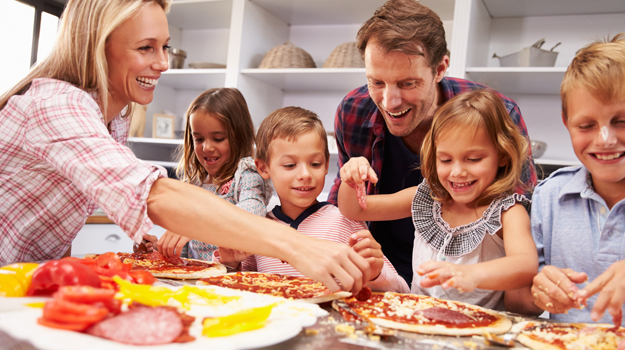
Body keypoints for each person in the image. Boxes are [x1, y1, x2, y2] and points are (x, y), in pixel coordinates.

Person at [0, 0, 372, 294]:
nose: (162, 63)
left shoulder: (116, 114)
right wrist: (296, 245)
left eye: (165, 47)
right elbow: (155, 196)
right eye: (146, 48)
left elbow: (55, 228)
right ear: (98, 46)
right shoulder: (56, 103)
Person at [329, 0, 537, 286]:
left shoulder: (497, 116)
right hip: (386, 277)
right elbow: (352, 210)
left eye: (407, 83)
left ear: (440, 68)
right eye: (376, 82)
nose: (389, 102)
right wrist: (351, 178)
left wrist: (476, 279)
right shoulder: (353, 112)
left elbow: (526, 252)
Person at [339, 89, 538, 310]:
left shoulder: (507, 212)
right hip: (418, 324)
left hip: (477, 334)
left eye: (473, 159)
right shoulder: (427, 199)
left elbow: (525, 265)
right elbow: (355, 210)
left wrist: (468, 274)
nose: (457, 172)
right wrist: (351, 178)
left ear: (502, 155)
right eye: (445, 159)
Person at [505, 34, 625, 328]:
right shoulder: (549, 195)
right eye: (586, 125)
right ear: (567, 123)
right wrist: (538, 293)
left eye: (624, 121)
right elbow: (516, 300)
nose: (605, 140)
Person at [218, 106, 409, 293]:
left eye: (315, 164)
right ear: (263, 168)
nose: (305, 174)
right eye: (290, 165)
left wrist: (375, 275)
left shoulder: (344, 222)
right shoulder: (259, 228)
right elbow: (239, 291)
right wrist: (230, 263)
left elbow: (401, 290)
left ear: (326, 164)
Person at [146, 88, 272, 261]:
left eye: (218, 138)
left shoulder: (247, 175)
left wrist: (193, 224)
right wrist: (158, 248)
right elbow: (187, 251)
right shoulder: (194, 183)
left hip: (232, 278)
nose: (206, 147)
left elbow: (250, 216)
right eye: (198, 139)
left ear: (240, 136)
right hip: (198, 278)